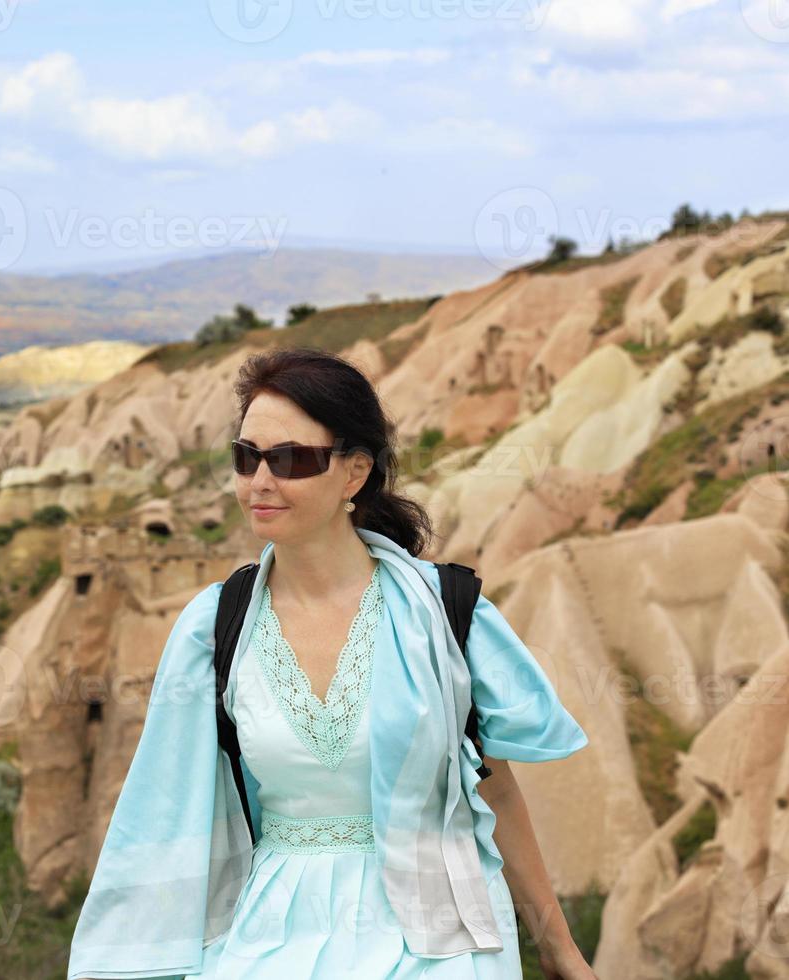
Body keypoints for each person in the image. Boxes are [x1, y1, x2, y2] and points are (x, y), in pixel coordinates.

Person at [67, 347, 595, 980]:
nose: (260, 481)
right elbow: (161, 810)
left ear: (354, 473)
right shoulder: (214, 628)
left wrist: (561, 952)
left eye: (290, 459)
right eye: (246, 457)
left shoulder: (447, 613)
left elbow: (496, 790)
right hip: (274, 939)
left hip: (441, 941)